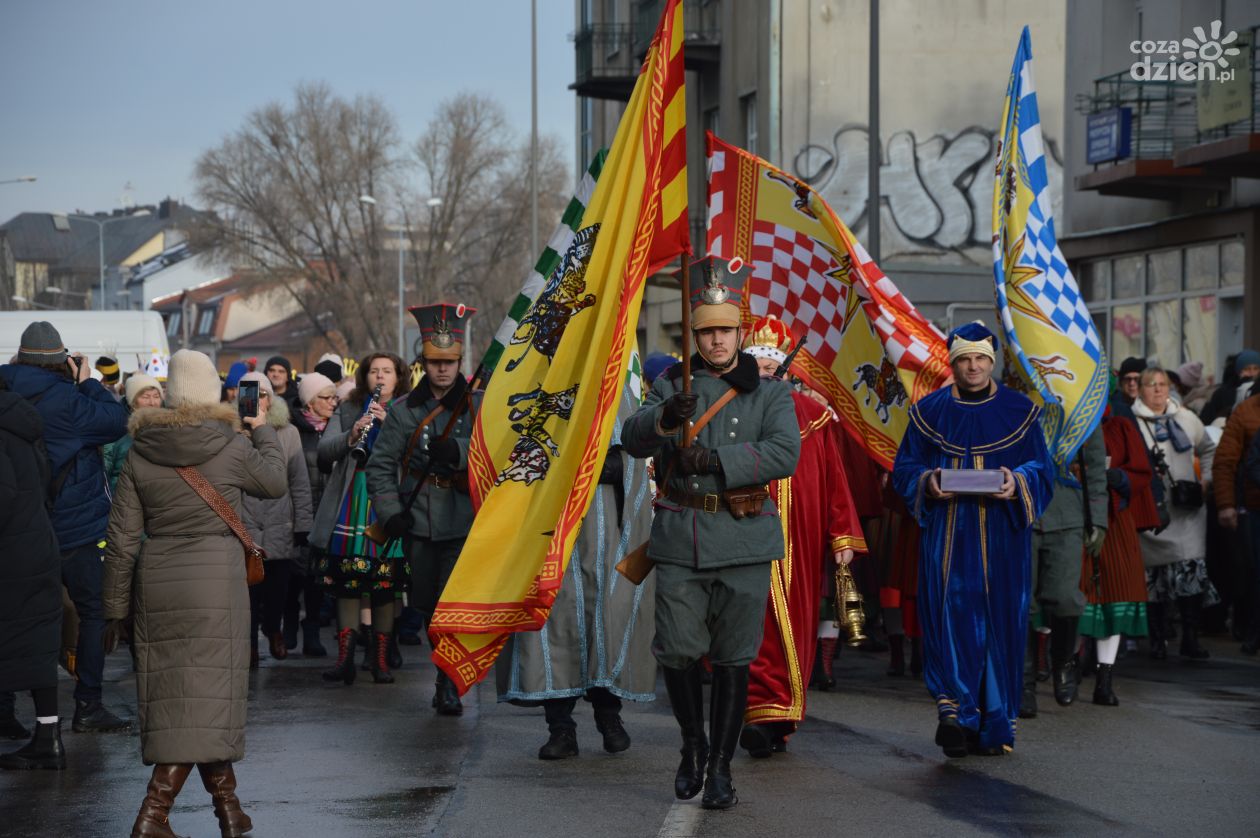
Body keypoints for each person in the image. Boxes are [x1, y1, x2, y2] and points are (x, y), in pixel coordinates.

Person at [622, 261, 800, 810]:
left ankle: (721, 766)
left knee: (732, 658)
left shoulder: (769, 393)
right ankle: (691, 744)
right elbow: (632, 438)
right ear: (693, 334)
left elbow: (784, 453)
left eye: (725, 330)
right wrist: (665, 421)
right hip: (680, 535)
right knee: (676, 651)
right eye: (706, 331)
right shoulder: (672, 382)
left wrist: (717, 459)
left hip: (744, 537)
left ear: (740, 333)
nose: (717, 340)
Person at [102, 349, 287, 838]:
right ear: (215, 394)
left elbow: (122, 538)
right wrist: (262, 427)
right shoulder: (231, 445)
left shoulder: (141, 451)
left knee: (185, 702)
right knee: (210, 699)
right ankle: (152, 814)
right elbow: (274, 482)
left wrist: (115, 609)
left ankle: (230, 810)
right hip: (217, 583)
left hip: (158, 581)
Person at [891, 323, 1053, 758]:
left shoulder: (1021, 410)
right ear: (954, 363)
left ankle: (994, 723)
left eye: (981, 358)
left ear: (992, 360)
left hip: (1003, 534)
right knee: (951, 616)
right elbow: (904, 468)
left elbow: (1044, 468)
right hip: (949, 534)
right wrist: (927, 482)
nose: (974, 366)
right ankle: (956, 716)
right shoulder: (930, 412)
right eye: (965, 359)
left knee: (1001, 623)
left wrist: (1017, 481)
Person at [497, 376, 656, 760]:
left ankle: (608, 716)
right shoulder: (540, 381)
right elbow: (511, 455)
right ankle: (561, 728)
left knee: (607, 617)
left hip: (607, 530)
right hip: (547, 530)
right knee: (554, 619)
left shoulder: (619, 390)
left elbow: (635, 461)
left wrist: (608, 467)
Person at [737, 315, 866, 757]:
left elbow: (835, 481)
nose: (768, 372)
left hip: (801, 541)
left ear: (787, 369)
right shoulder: (731, 411)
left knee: (794, 621)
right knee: (752, 622)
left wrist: (842, 536)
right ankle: (759, 711)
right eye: (759, 365)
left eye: (774, 366)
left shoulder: (813, 416)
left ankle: (780, 717)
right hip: (741, 532)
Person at [0, 321, 131, 734]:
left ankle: (5, 712)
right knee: (92, 614)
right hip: (76, 529)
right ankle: (88, 705)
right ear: (63, 360)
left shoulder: (5, 392)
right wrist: (88, 382)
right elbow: (118, 420)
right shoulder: (70, 402)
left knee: (13, 617)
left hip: (17, 527)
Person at [368, 304, 480, 714]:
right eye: (435, 362)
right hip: (418, 521)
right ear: (423, 363)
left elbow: (500, 457)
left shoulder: (477, 406)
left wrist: (463, 452)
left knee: (454, 607)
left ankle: (447, 680)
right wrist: (389, 511)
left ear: (460, 362)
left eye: (450, 362)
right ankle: (443, 669)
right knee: (429, 608)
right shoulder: (403, 411)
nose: (443, 370)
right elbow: (380, 467)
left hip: (465, 519)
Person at [313, 352, 412, 686]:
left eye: (387, 372)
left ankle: (380, 660)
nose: (380, 377)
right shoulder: (349, 407)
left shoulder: (408, 409)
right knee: (347, 582)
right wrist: (351, 436)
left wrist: (389, 424)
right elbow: (324, 452)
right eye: (374, 372)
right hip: (352, 498)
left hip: (388, 501)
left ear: (399, 377)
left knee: (385, 583)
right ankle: (345, 660)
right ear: (364, 378)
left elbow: (418, 454)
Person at [0, 378, 65, 770]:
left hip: (10, 552)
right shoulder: (23, 424)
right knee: (38, 645)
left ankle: (47, 740)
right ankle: (48, 737)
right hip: (37, 541)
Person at [1133, 366, 1218, 659]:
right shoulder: (1134, 422)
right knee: (1155, 578)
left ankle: (1190, 638)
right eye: (1151, 385)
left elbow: (1208, 449)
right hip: (1153, 511)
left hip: (1187, 509)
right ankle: (1157, 638)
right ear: (1140, 389)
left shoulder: (1186, 418)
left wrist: (1206, 479)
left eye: (1162, 384)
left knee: (1190, 570)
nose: (1158, 390)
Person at [1026, 424, 1107, 713]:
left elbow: (1095, 466)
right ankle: (1024, 682)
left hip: (1066, 513)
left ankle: (1063, 664)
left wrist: (1097, 518)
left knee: (1064, 597)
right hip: (1021, 511)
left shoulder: (1079, 402)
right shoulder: (1015, 396)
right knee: (1022, 601)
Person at [1078, 400, 1154, 705]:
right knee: (1070, 592)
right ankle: (1064, 668)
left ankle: (1104, 679)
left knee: (1115, 592)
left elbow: (1141, 472)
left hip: (1114, 519)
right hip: (1072, 516)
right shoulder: (1064, 422)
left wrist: (1119, 479)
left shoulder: (1121, 426)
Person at [239, 371, 313, 668]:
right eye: (252, 394)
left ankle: (273, 629)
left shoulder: (289, 432)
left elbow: (299, 482)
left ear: (271, 399)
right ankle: (250, 645)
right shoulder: (232, 431)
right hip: (246, 523)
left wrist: (303, 524)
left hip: (280, 520)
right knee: (248, 593)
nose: (258, 400)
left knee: (277, 592)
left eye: (264, 394)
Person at [289, 371, 338, 657]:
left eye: (335, 397)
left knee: (317, 577)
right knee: (295, 574)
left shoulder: (337, 429)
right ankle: (290, 619)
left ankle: (312, 630)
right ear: (309, 401)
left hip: (328, 510)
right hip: (299, 510)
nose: (333, 403)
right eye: (326, 397)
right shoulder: (293, 429)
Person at [1212, 385, 1260, 654]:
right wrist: (1226, 504)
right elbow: (1225, 461)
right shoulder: (1246, 410)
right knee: (1254, 574)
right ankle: (1252, 628)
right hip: (1254, 507)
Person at [103, 373, 163, 494]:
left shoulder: (169, 427)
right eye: (145, 397)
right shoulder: (116, 428)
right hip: (123, 499)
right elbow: (105, 471)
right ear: (132, 401)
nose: (152, 402)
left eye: (156, 396)